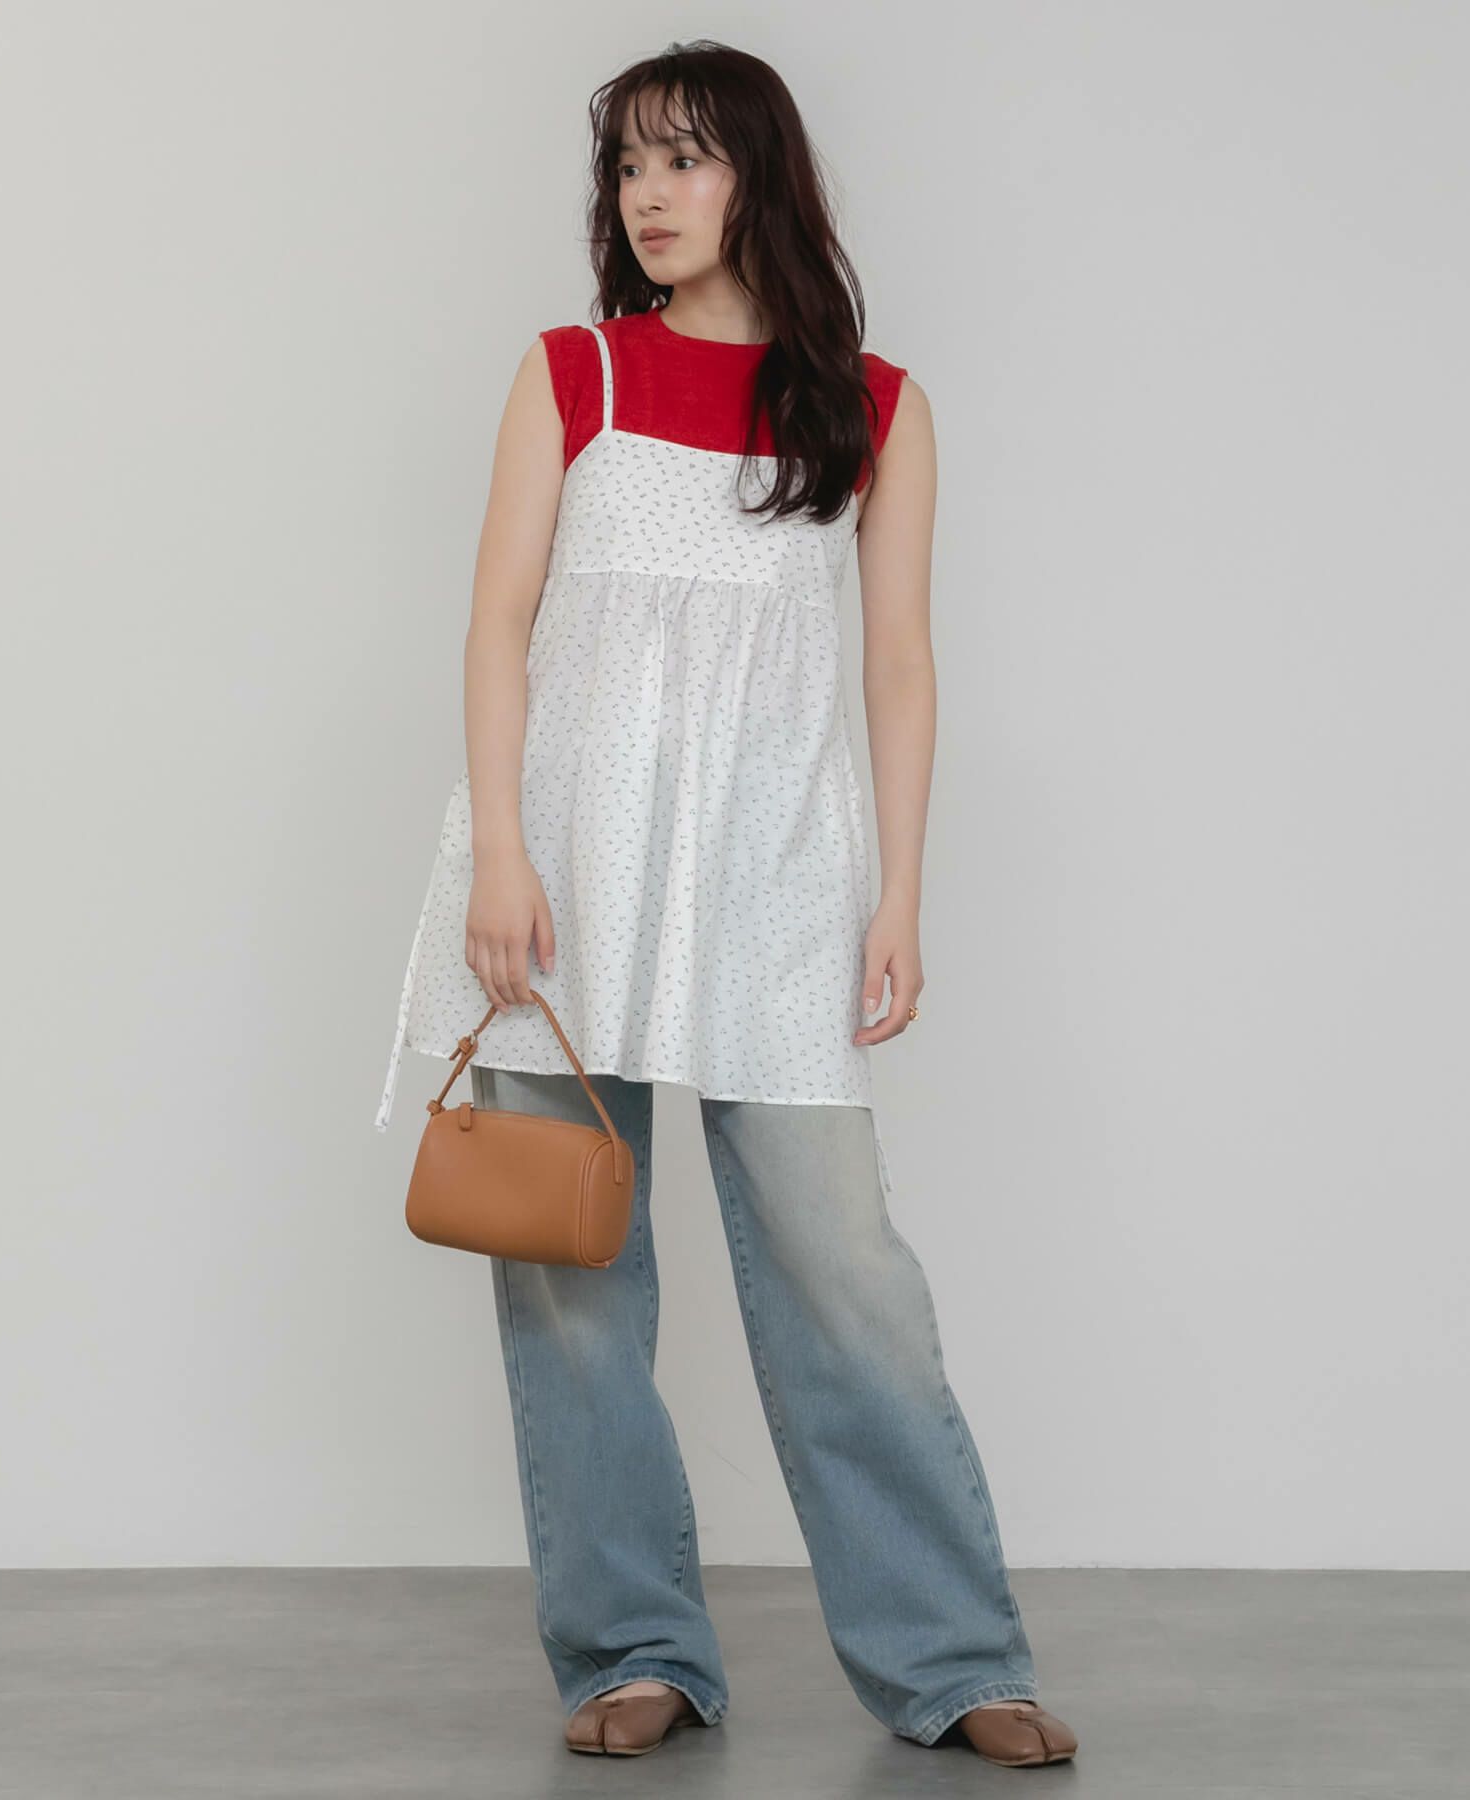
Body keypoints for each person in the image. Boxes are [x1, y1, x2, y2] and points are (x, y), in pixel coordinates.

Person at [375, 39, 1078, 1770]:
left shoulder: (877, 407)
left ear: (763, 175)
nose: (651, 195)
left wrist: (900, 891)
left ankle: (954, 1659)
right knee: (570, 1279)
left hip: (774, 873)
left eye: (685, 159)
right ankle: (634, 1649)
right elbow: (496, 620)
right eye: (628, 166)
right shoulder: (574, 374)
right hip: (562, 879)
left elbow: (900, 666)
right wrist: (504, 855)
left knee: (849, 1280)